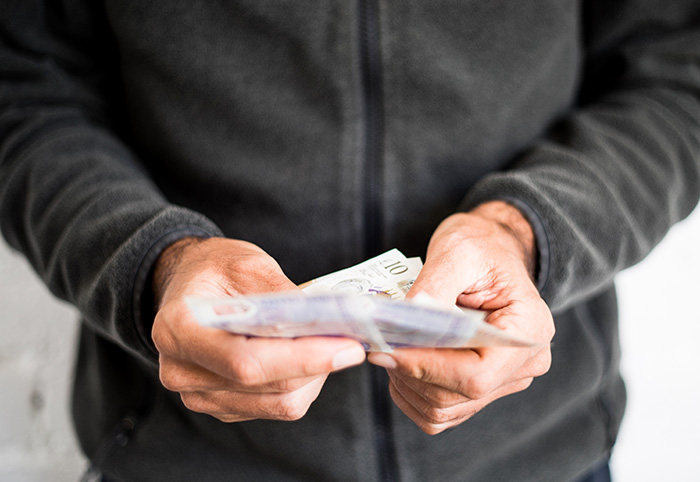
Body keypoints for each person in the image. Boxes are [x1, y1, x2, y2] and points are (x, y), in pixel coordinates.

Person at [1, 1, 698, 481]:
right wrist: (155, 259)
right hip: (180, 458)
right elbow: (23, 95)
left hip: (542, 456)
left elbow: (674, 77)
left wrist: (525, 230)